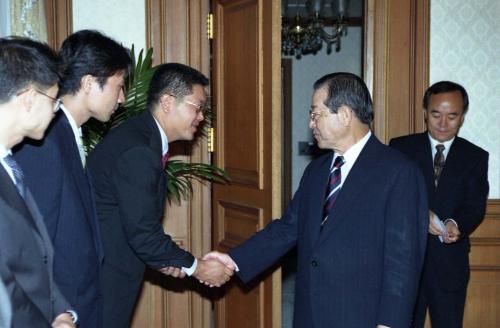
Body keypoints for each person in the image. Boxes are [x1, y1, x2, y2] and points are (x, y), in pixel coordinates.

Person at [205, 72, 429, 327]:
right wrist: (234, 260)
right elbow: (289, 227)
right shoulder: (317, 170)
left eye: (316, 114)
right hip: (310, 313)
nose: (311, 124)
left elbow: (404, 261)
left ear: (344, 115)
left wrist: (390, 323)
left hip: (362, 316)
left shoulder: (399, 172)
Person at [87, 63, 234, 327]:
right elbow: (143, 233)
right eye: (197, 107)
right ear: (167, 102)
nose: (201, 117)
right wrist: (197, 267)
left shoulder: (141, 137)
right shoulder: (139, 151)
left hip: (110, 268)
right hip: (105, 277)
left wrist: (165, 258)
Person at [13, 29, 131, 328]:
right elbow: (35, 240)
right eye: (118, 86)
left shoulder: (67, 134)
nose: (122, 97)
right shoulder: (45, 140)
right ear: (90, 83)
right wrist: (52, 309)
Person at [389, 81, 489, 328]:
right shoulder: (400, 148)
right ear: (425, 112)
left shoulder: (475, 156)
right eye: (436, 114)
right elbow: (391, 199)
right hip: (405, 262)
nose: (443, 123)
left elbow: (475, 204)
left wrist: (456, 224)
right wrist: (419, 215)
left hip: (449, 264)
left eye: (452, 116)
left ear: (462, 117)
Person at [0, 37, 76, 327]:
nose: (55, 111)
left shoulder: (11, 165)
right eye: (54, 101)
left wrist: (59, 311)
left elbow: (34, 260)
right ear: (29, 98)